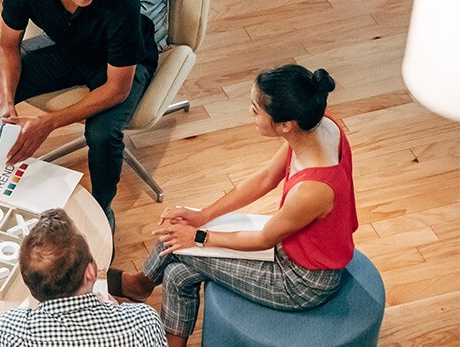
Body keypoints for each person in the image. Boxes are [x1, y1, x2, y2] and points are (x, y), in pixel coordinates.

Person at [108, 65, 358, 347]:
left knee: (178, 243)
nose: (250, 113)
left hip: (300, 282)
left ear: (285, 124)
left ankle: (141, 283)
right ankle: (143, 288)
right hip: (289, 247)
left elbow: (264, 239)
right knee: (178, 272)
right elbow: (265, 178)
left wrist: (199, 236)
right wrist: (203, 215)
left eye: (255, 109)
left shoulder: (313, 189)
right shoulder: (318, 126)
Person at [0, 0, 159, 233]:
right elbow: (7, 47)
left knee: (102, 134)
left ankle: (102, 209)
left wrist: (48, 123)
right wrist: (6, 104)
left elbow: (117, 89)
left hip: (119, 66)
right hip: (69, 49)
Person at [0, 208, 165, 346]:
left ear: (29, 283)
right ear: (90, 273)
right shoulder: (143, 322)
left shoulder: (6, 331)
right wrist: (117, 312)